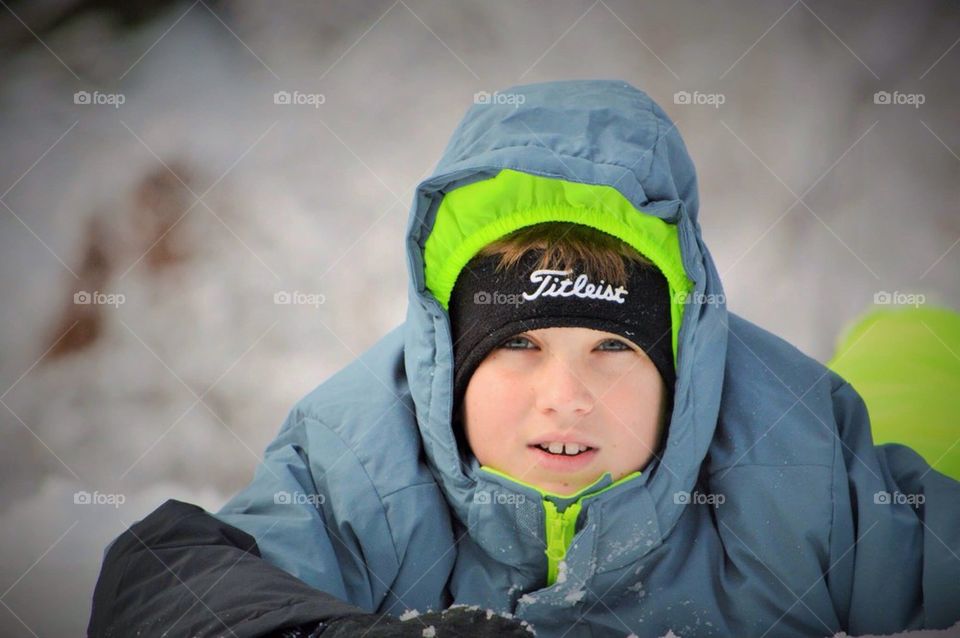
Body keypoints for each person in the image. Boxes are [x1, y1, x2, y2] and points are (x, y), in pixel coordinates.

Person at [88, 80, 960, 638]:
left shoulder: (791, 472)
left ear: (680, 370)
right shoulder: (364, 462)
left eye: (615, 346)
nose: (565, 397)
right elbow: (170, 586)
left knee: (923, 373)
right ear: (453, 361)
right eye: (517, 344)